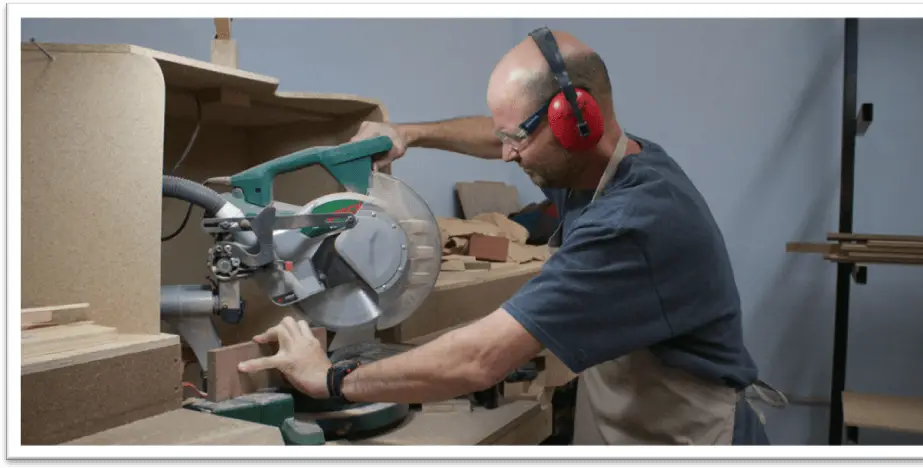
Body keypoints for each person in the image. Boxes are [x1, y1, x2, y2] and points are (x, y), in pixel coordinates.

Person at [238, 27, 785, 445]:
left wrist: (329, 378)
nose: (505, 154)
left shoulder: (632, 222)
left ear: (577, 121)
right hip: (634, 408)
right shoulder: (607, 162)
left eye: (515, 138)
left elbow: (480, 361)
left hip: (683, 432)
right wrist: (410, 133)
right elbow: (499, 135)